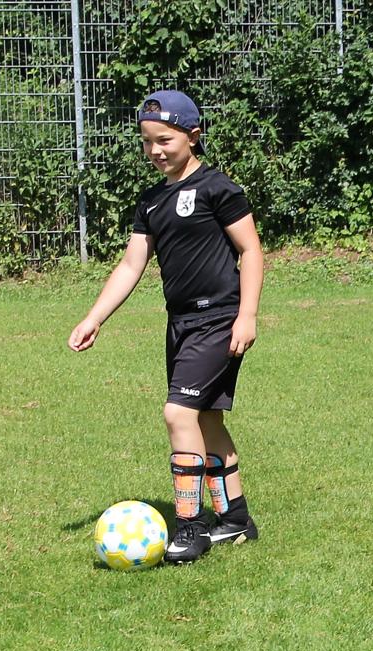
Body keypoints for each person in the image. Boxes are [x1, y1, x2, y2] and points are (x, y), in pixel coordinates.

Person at [68, 89, 263, 563]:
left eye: (165, 140)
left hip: (219, 319)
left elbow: (251, 250)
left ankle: (190, 528)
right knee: (205, 418)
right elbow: (131, 264)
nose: (155, 150)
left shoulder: (218, 188)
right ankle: (235, 518)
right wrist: (94, 317)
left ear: (192, 136)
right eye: (147, 141)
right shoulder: (152, 201)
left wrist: (247, 315)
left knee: (178, 414)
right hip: (181, 325)